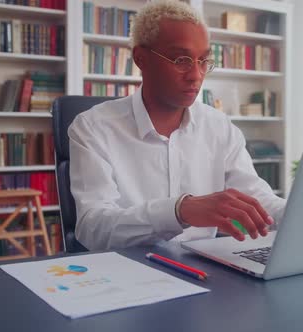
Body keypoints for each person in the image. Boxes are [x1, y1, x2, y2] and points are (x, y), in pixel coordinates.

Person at [68, 0, 286, 251]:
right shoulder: (92, 127)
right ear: (141, 59)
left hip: (204, 271)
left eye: (203, 60)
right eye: (181, 59)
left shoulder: (220, 127)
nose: (196, 75)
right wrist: (179, 211)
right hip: (128, 275)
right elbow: (93, 228)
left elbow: (257, 199)